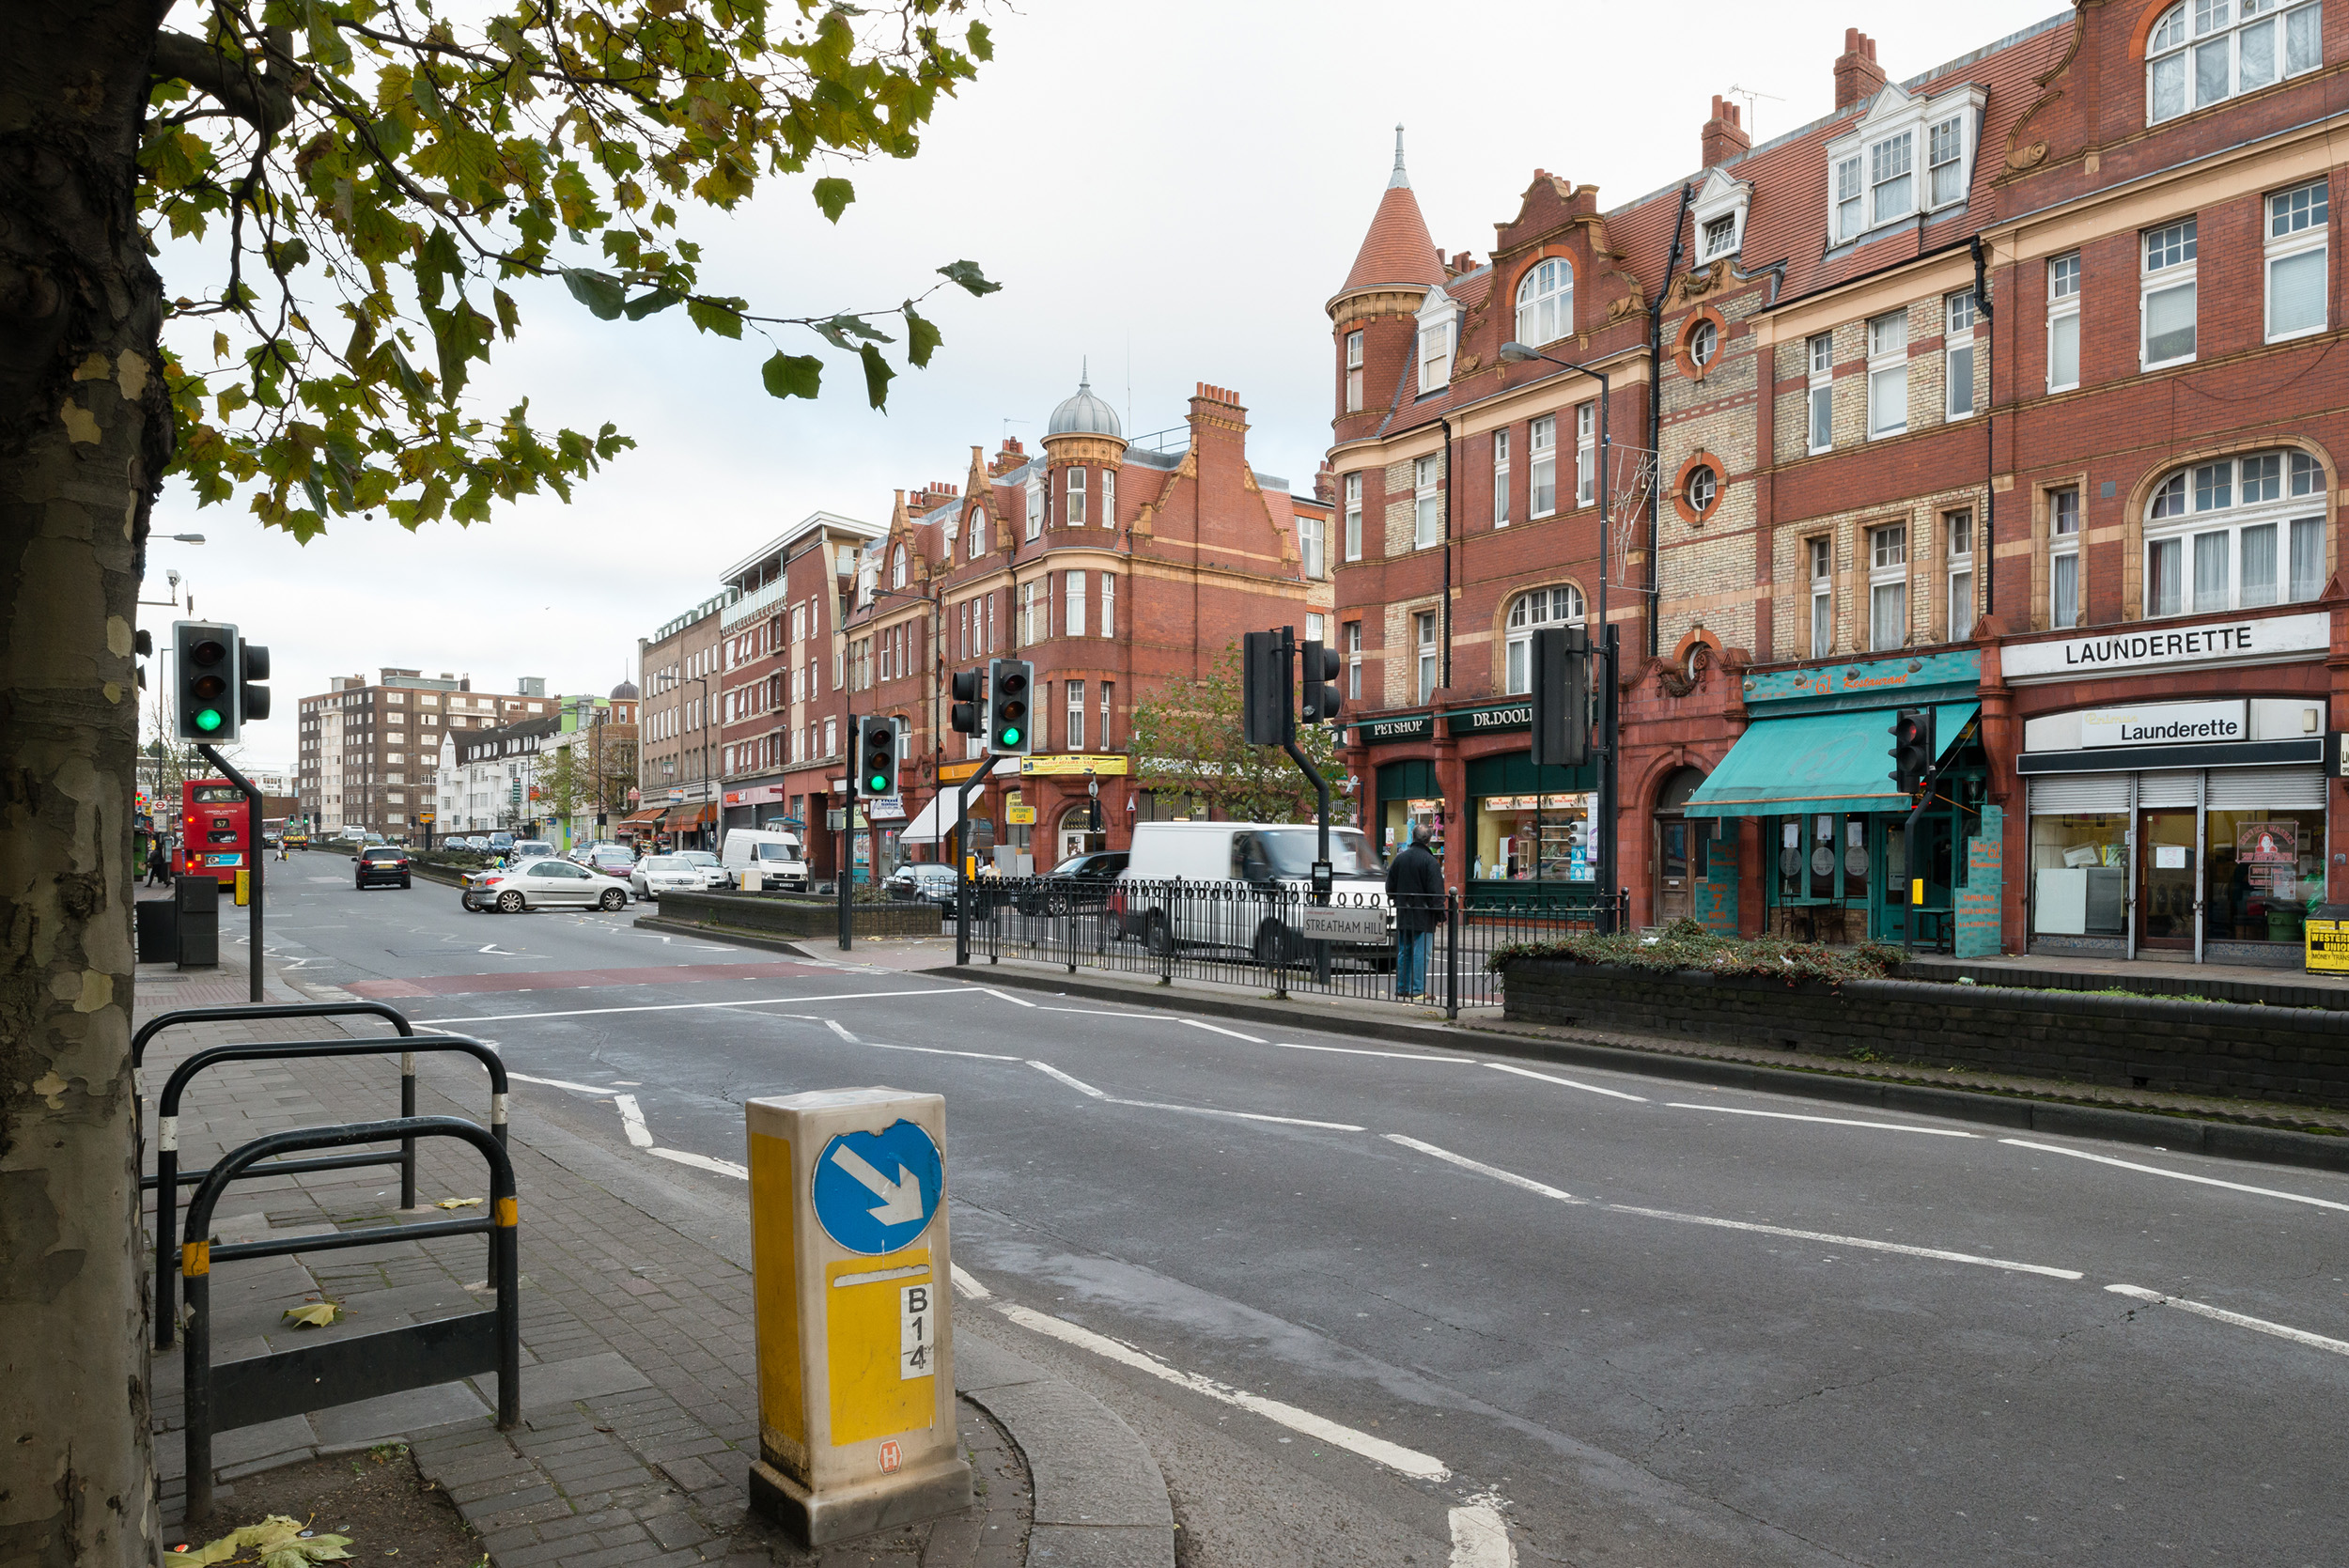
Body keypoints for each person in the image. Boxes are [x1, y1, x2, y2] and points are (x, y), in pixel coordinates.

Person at [1385, 821, 1445, 1001]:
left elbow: (1389, 887)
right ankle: (1417, 990)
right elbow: (1436, 892)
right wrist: (1440, 914)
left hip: (1404, 911)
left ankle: (1402, 988)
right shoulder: (1430, 862)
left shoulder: (1400, 859)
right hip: (1424, 914)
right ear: (1429, 840)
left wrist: (1399, 900)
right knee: (1421, 953)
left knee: (1404, 950)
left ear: (1413, 837)